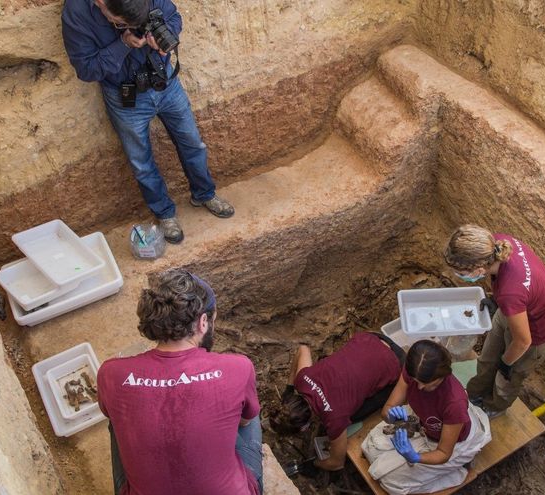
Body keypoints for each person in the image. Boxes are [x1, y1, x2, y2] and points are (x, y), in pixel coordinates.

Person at [62, 0, 234, 245]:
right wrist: (123, 44)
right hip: (125, 96)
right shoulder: (76, 13)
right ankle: (165, 214)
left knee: (192, 143)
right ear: (100, 3)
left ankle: (205, 194)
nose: (128, 27)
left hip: (165, 83)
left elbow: (174, 17)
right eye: (120, 23)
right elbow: (87, 70)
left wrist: (163, 39)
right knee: (141, 162)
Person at [96, 269, 262, 495]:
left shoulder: (111, 373)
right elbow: (243, 423)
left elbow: (110, 413)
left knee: (118, 418)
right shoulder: (238, 367)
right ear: (203, 322)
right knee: (249, 412)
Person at [444, 224, 545, 416]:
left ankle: (493, 407)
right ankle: (476, 394)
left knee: (506, 379)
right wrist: (495, 298)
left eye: (462, 273)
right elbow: (515, 291)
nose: (459, 276)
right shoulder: (497, 244)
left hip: (538, 333)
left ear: (478, 269)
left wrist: (506, 363)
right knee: (487, 360)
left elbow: (523, 341)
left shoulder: (511, 293)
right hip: (515, 310)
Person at [361, 340, 491, 495]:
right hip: (423, 422)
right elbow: (387, 409)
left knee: (391, 482)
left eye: (431, 384)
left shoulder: (453, 402)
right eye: (417, 382)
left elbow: (443, 453)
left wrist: (415, 457)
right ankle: (422, 464)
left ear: (444, 375)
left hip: (449, 444)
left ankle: (458, 475)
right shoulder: (414, 371)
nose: (421, 388)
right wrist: (392, 416)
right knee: (370, 447)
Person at [270, 332, 405, 471]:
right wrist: (290, 386)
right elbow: (303, 349)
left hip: (397, 361)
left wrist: (313, 465)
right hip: (373, 338)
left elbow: (337, 463)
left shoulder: (335, 420)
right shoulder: (302, 378)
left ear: (304, 427)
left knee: (354, 416)